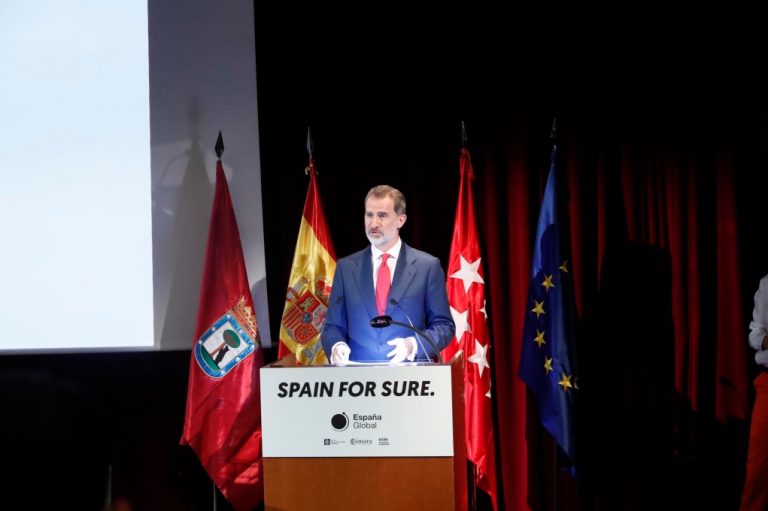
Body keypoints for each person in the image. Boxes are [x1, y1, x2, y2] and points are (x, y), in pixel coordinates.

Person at [321, 184, 455, 364]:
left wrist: (413, 345)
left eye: (382, 215)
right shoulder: (346, 268)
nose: (373, 223)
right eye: (369, 215)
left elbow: (444, 325)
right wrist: (336, 346)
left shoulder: (427, 266)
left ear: (401, 220)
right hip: (359, 375)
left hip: (410, 374)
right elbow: (332, 326)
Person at [741, 274, 768, 510]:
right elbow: (754, 333)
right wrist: (766, 340)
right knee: (758, 467)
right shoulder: (767, 284)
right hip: (767, 385)